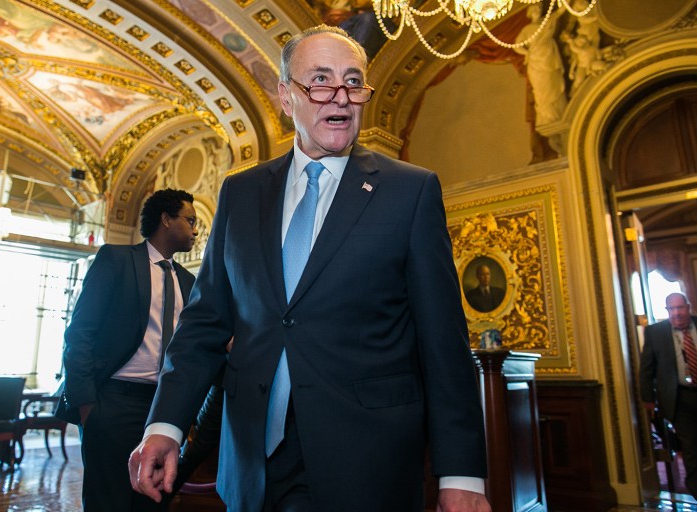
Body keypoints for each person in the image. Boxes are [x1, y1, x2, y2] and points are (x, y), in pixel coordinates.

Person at [129, 25, 490, 512]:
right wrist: (165, 425)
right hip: (253, 462)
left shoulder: (410, 191)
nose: (340, 96)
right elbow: (205, 322)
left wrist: (462, 471)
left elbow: (443, 342)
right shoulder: (241, 193)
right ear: (286, 96)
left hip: (366, 463)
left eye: (353, 81)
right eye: (320, 80)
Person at [57, 188, 221, 511]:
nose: (196, 230)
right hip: (111, 403)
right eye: (189, 220)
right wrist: (90, 409)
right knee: (108, 500)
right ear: (165, 219)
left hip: (164, 408)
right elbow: (80, 334)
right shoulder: (116, 260)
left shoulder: (190, 281)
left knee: (154, 500)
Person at [640, 292, 697, 498]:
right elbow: (646, 368)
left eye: (680, 308)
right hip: (679, 398)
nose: (676, 313)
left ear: (688, 307)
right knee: (690, 448)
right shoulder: (656, 333)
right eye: (671, 309)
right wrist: (648, 399)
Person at [514, 4, 567, 126]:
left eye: (539, 9)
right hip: (535, 61)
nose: (538, 11)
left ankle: (558, 113)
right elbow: (517, 45)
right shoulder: (526, 29)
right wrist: (527, 52)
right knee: (541, 89)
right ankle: (547, 116)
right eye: (535, 9)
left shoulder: (546, 21)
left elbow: (560, 12)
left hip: (549, 57)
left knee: (553, 83)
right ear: (530, 12)